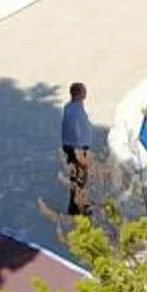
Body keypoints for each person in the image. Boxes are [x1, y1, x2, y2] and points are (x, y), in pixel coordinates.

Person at [58, 82, 93, 216]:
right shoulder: (75, 110)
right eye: (84, 91)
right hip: (77, 148)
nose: (86, 93)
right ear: (78, 93)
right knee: (79, 178)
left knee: (78, 177)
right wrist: (79, 150)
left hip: (74, 146)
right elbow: (74, 129)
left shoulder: (71, 107)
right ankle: (77, 206)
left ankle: (78, 204)